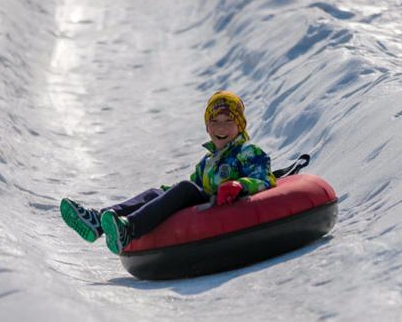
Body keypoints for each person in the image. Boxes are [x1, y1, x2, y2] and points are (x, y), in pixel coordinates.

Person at [60, 90, 277, 255]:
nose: (221, 128)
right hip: (205, 202)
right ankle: (98, 221)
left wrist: (240, 185)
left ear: (240, 125)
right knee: (157, 192)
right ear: (207, 127)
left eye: (228, 121)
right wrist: (166, 193)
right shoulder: (207, 161)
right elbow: (195, 187)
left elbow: (265, 178)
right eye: (214, 122)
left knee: (184, 188)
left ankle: (130, 229)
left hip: (223, 203)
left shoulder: (247, 151)